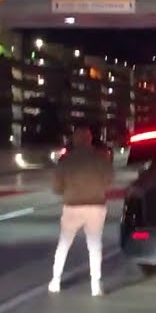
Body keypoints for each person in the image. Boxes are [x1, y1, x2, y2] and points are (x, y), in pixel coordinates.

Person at [49, 125, 114, 296]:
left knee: (64, 244)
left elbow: (56, 187)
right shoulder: (100, 159)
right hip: (95, 205)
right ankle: (95, 284)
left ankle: (56, 280)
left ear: (75, 140)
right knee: (94, 245)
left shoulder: (66, 160)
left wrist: (69, 189)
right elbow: (109, 179)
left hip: (72, 206)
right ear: (90, 139)